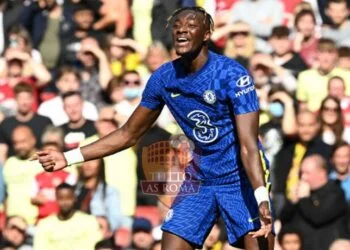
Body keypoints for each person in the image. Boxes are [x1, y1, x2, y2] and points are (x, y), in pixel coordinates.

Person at [35, 6, 273, 250]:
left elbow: (248, 144)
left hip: (240, 177)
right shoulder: (163, 78)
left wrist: (261, 196)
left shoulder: (232, 75)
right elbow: (128, 134)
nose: (182, 30)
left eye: (191, 26)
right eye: (177, 27)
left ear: (207, 33)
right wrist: (68, 157)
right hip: (200, 178)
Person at [279, 155, 349, 250]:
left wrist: (304, 199)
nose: (303, 177)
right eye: (301, 173)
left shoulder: (335, 193)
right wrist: (292, 202)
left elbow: (318, 217)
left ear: (322, 173)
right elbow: (284, 219)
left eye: (307, 173)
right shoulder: (302, 193)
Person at [33, 183, 102, 250]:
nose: (65, 202)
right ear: (56, 199)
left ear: (74, 198)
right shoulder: (45, 224)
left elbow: (95, 246)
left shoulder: (89, 222)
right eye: (61, 198)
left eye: (68, 198)